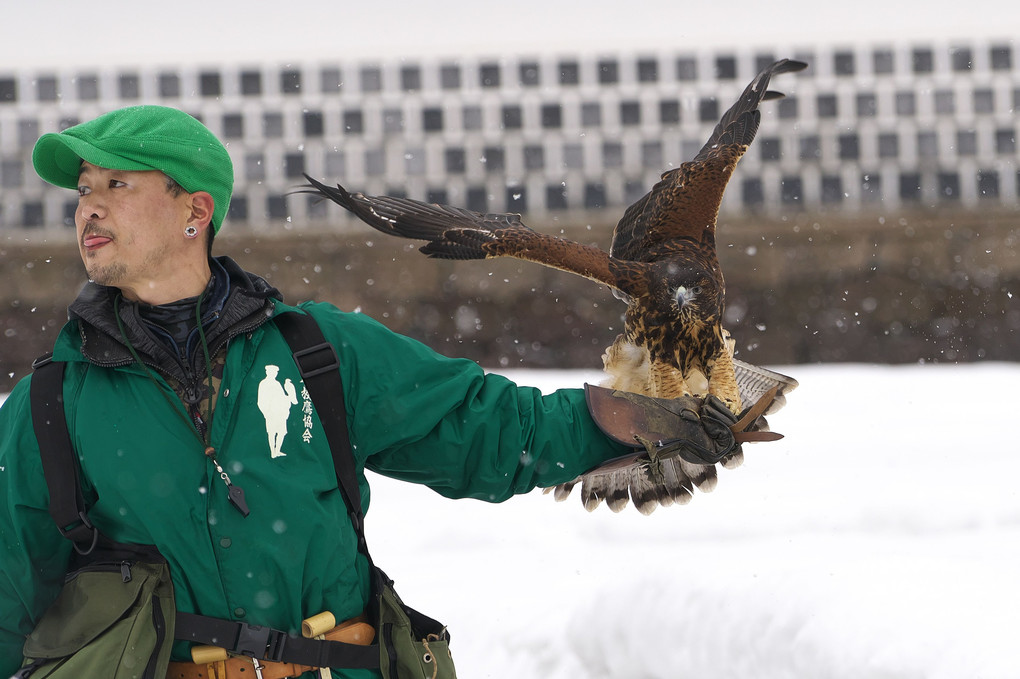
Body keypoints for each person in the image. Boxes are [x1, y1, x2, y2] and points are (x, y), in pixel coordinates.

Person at [0, 105, 754, 678]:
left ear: (196, 210)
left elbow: (483, 428)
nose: (88, 206)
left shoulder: (318, 352)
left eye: (117, 185)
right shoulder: (48, 406)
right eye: (84, 189)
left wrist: (625, 419)